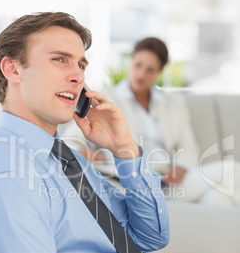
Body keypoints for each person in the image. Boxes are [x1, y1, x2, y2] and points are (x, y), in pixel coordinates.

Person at [0, 12, 239, 253]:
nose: (77, 76)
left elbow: (151, 237)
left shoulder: (63, 157)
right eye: (60, 60)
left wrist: (125, 150)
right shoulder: (6, 172)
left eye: (81, 66)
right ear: (12, 69)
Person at [63, 37, 240, 205]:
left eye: (150, 69)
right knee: (225, 188)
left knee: (222, 190)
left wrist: (181, 168)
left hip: (168, 184)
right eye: (138, 65)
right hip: (124, 182)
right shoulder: (105, 98)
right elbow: (69, 140)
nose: (141, 74)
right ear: (131, 62)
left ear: (159, 71)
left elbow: (188, 146)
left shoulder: (174, 104)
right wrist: (84, 151)